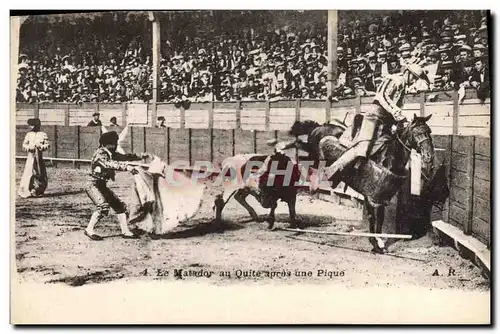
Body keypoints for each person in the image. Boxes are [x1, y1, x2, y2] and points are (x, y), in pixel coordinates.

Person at [321, 63, 430, 184]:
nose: (414, 80)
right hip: (374, 116)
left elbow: (397, 106)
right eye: (413, 77)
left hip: (386, 121)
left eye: (416, 78)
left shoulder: (403, 87)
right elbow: (382, 96)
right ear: (407, 73)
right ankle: (330, 171)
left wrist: (398, 120)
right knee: (362, 148)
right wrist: (396, 112)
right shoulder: (394, 79)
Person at [84, 131, 149, 240]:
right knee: (103, 207)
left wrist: (139, 156)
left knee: (120, 207)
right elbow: (109, 164)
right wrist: (127, 168)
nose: (116, 145)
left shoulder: (110, 153)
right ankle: (89, 229)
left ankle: (125, 231)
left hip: (101, 185)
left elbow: (123, 157)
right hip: (92, 185)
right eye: (114, 143)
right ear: (106, 144)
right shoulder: (100, 154)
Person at [18, 118, 50, 198]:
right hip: (30, 157)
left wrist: (41, 147)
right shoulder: (29, 134)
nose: (31, 127)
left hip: (39, 157)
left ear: (37, 125)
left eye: (32, 125)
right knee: (29, 173)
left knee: (40, 173)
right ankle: (27, 190)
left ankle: (38, 190)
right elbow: (24, 145)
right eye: (30, 125)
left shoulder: (43, 134)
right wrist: (29, 147)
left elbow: (47, 145)